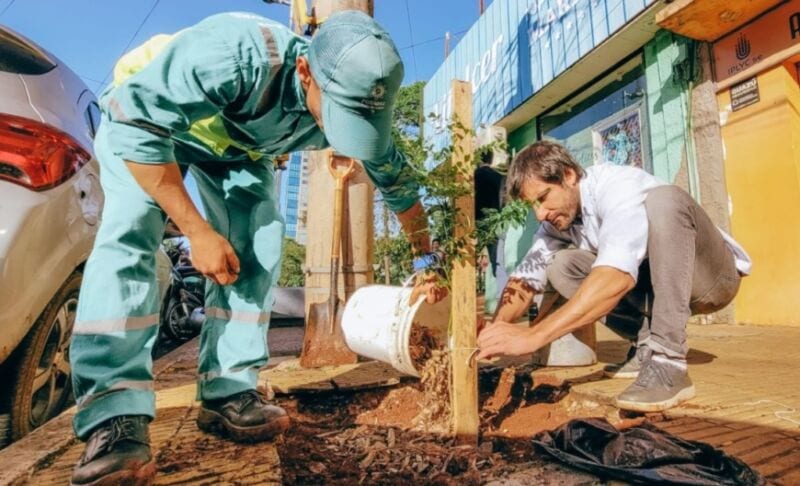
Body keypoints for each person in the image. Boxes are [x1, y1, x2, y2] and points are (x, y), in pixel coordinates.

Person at [69, 11, 443, 485]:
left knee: (259, 242)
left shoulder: (356, 103)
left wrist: (426, 260)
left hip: (234, 149)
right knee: (133, 230)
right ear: (305, 71)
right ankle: (113, 416)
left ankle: (228, 390)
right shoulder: (235, 55)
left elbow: (402, 190)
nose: (345, 132)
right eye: (340, 114)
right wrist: (197, 231)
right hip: (148, 122)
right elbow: (137, 126)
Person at [477, 141, 750, 413]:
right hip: (656, 286)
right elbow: (525, 281)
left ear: (569, 176)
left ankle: (668, 361)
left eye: (543, 198)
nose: (540, 214)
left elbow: (615, 277)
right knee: (562, 265)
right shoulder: (556, 223)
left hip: (710, 281)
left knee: (665, 200)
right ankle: (646, 345)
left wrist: (534, 336)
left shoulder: (617, 187)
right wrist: (496, 329)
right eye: (531, 206)